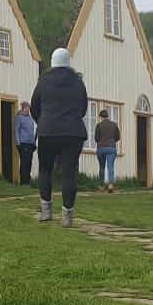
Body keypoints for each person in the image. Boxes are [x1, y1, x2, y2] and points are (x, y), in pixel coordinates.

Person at [28, 48, 88, 226]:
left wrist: (43, 121)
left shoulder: (43, 82)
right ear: (68, 63)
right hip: (73, 133)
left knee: (45, 170)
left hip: (48, 132)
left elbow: (34, 106)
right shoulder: (78, 83)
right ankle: (67, 217)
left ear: (53, 62)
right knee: (69, 173)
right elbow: (83, 107)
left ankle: (46, 212)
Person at [93, 108, 121, 192]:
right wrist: (111, 141)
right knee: (110, 167)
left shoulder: (98, 125)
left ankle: (101, 186)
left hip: (101, 148)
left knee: (102, 167)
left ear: (101, 117)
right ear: (108, 116)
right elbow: (118, 137)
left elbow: (96, 139)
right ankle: (111, 184)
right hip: (111, 148)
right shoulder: (114, 125)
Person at [13, 101, 37, 187]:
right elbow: (16, 130)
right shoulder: (19, 118)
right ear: (23, 108)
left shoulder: (30, 118)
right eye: (26, 108)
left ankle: (28, 181)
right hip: (23, 143)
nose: (28, 110)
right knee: (24, 162)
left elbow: (33, 130)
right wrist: (18, 143)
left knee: (29, 162)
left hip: (31, 143)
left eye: (28, 108)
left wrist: (34, 143)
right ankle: (23, 182)